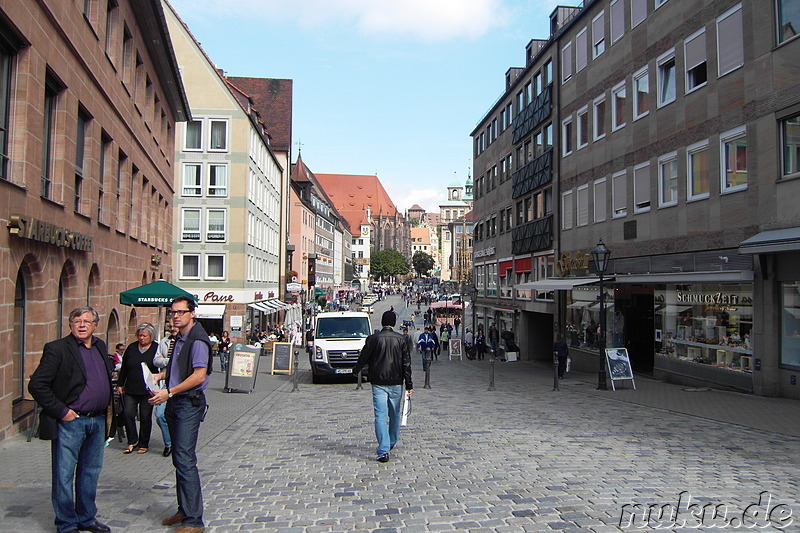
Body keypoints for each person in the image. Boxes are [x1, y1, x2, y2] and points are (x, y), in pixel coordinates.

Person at [28, 306, 113, 533]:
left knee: (90, 472)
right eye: (77, 321)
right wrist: (61, 411)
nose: (82, 325)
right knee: (64, 475)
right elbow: (37, 384)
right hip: (71, 422)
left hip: (97, 421)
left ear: (95, 325)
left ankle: (86, 518)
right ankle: (66, 524)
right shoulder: (57, 349)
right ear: (70, 325)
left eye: (87, 321)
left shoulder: (100, 346)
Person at [149, 295, 212, 533]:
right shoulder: (179, 338)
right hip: (177, 401)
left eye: (181, 312)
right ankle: (184, 509)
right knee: (178, 458)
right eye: (173, 312)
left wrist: (169, 392)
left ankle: (194, 520)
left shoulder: (196, 340)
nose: (176, 316)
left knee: (185, 460)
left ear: (192, 313)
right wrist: (160, 376)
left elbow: (198, 375)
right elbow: (178, 370)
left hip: (188, 403)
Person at [352, 310, 413, 463]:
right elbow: (406, 363)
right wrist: (409, 384)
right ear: (393, 323)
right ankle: (391, 441)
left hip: (378, 382)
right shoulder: (401, 339)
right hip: (396, 382)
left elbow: (364, 356)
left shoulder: (373, 339)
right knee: (394, 414)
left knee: (379, 415)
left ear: (382, 322)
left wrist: (356, 370)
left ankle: (383, 449)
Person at [116, 323, 159, 455]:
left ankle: (143, 443)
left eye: (144, 336)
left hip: (147, 390)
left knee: (145, 417)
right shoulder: (132, 348)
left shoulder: (156, 348)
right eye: (139, 335)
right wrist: (120, 384)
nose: (141, 338)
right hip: (131, 388)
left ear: (150, 336)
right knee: (128, 414)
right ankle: (132, 441)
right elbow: (124, 368)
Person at [154, 323, 178, 457]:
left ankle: (177, 443)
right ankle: (169, 443)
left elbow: (181, 362)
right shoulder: (164, 342)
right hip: (165, 382)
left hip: (180, 384)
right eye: (171, 326)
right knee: (159, 414)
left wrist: (167, 360)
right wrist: (169, 361)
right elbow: (156, 361)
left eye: (175, 326)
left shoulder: (186, 341)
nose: (173, 329)